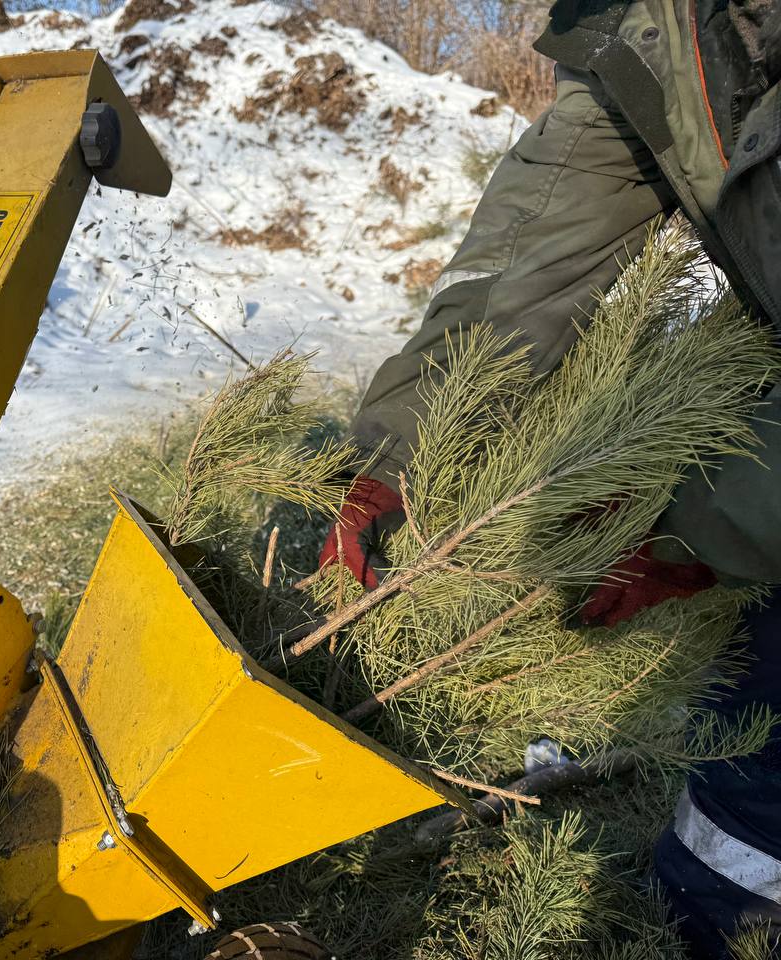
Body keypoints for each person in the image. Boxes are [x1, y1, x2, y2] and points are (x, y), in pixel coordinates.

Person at [318, 1, 781, 955]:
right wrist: (396, 457)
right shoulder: (654, 29)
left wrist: (702, 532)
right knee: (746, 763)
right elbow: (530, 257)